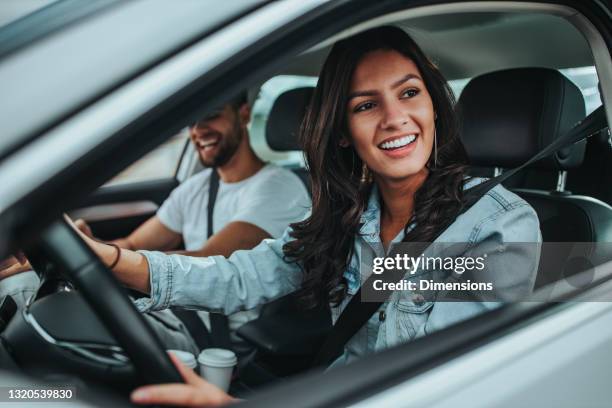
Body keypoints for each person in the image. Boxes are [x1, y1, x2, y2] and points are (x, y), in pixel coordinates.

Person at [10, 26, 542, 406]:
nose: (395, 118)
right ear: (342, 133)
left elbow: (439, 388)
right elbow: (236, 276)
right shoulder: (345, 219)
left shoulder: (497, 228)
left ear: (433, 106)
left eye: (409, 93)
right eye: (365, 105)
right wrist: (103, 257)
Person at [0, 92, 311, 355]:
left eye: (212, 115)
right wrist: (80, 251)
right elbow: (134, 244)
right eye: (192, 120)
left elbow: (211, 262)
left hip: (215, 338)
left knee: (33, 307)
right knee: (21, 290)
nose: (198, 129)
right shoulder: (197, 187)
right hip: (170, 309)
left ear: (243, 114)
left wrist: (100, 258)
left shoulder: (278, 188)